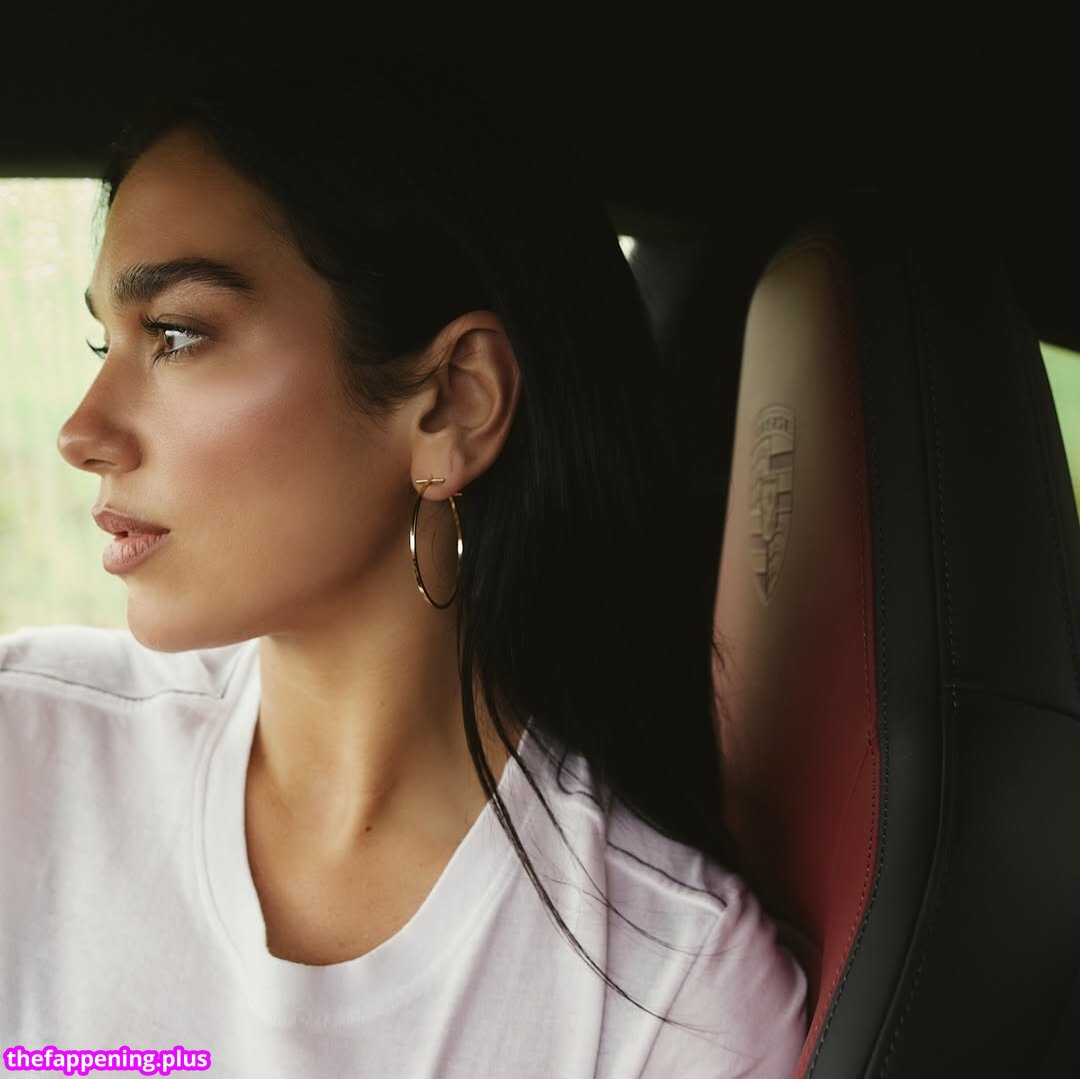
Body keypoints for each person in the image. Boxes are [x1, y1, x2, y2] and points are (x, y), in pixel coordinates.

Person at [0, 53, 806, 1076]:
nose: (82, 432)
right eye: (101, 344)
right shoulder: (25, 755)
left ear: (452, 405)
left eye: (176, 334)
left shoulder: (669, 993)